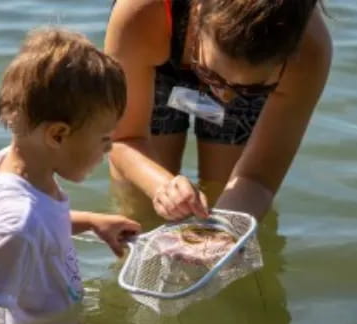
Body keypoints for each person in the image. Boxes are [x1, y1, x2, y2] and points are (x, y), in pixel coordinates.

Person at [0, 27, 141, 324]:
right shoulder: (18, 222)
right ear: (58, 134)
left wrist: (91, 222)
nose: (109, 149)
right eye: (104, 139)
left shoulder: (17, 171)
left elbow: (42, 225)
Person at [104, 0, 333, 223]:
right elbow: (123, 139)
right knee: (140, 208)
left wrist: (224, 232)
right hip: (162, 46)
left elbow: (257, 179)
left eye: (248, 89)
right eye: (211, 75)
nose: (225, 98)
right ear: (197, 13)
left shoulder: (309, 47)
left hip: (237, 53)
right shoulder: (141, 11)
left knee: (227, 197)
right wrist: (162, 186)